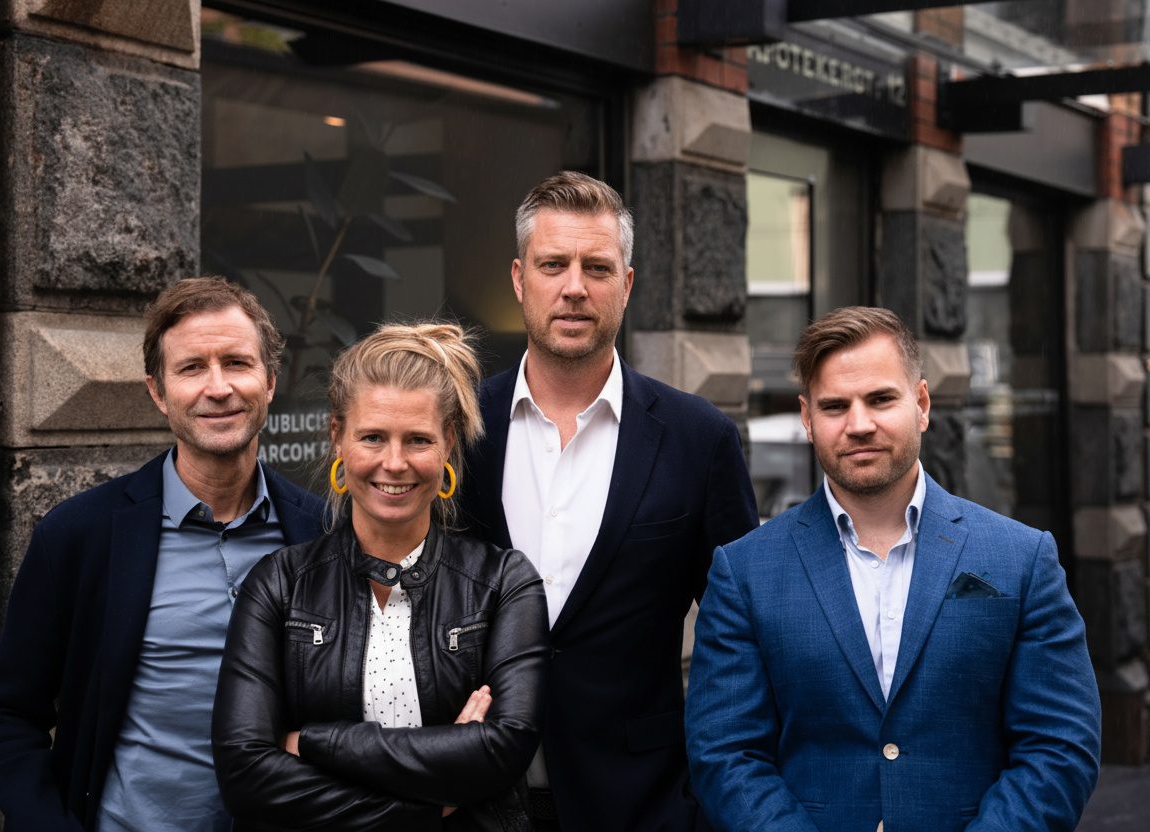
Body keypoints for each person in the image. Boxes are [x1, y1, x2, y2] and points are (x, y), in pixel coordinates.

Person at [686, 306, 1102, 832]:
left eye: (881, 399)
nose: (859, 425)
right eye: (835, 406)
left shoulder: (1022, 558)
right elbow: (725, 754)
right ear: (808, 419)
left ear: (922, 404)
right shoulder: (744, 572)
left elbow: (1060, 746)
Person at [461, 171, 760, 830]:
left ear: (625, 284)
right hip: (475, 799)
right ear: (519, 279)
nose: (574, 286)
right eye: (553, 264)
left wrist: (709, 795)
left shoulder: (697, 438)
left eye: (597, 267)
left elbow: (744, 638)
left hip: (642, 802)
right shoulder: (461, 427)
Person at [0, 277, 326, 831]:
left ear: (270, 382)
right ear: (158, 392)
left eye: (237, 362)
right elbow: (9, 715)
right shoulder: (80, 536)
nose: (218, 388)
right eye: (191, 368)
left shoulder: (321, 535)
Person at [212, 322, 548, 830]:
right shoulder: (280, 585)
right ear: (337, 437)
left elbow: (503, 750)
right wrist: (431, 800)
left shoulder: (503, 583)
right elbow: (245, 772)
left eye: (417, 439)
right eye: (372, 437)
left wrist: (311, 743)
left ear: (447, 444)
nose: (395, 463)